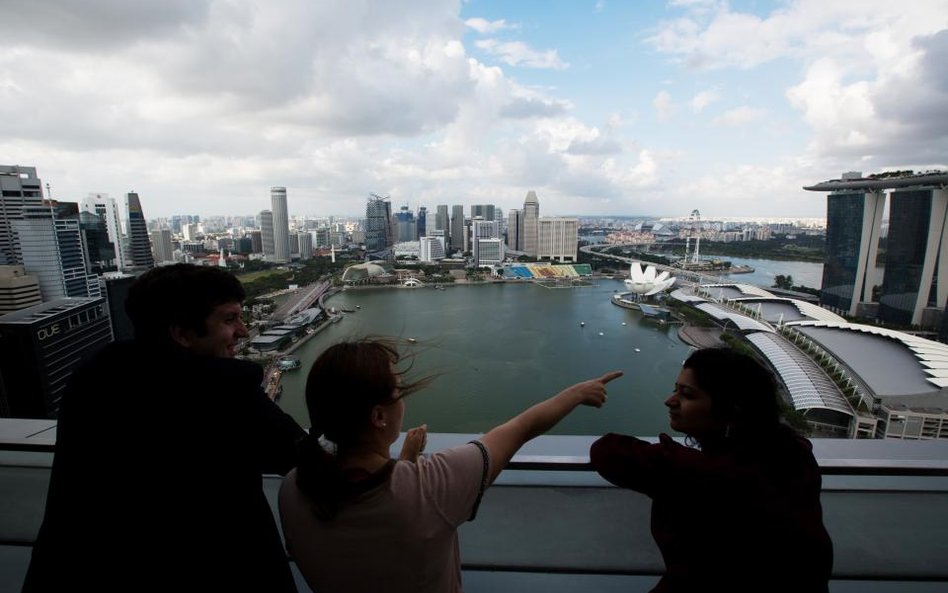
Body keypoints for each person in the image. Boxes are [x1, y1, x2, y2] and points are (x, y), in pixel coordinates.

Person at [23, 264, 306, 593]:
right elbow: (304, 459)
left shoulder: (95, 377)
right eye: (229, 319)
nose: (243, 331)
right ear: (183, 334)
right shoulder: (224, 391)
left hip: (77, 569)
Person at [278, 337, 623, 593]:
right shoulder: (431, 487)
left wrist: (406, 460)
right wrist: (577, 393)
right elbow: (520, 429)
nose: (404, 400)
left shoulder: (294, 488)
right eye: (399, 391)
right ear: (379, 417)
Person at [589, 347, 833, 593]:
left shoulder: (702, 472)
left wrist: (670, 456)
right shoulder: (795, 454)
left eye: (687, 395)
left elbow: (605, 451)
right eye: (676, 389)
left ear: (732, 409)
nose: (670, 400)